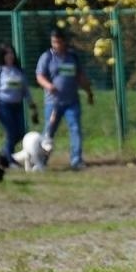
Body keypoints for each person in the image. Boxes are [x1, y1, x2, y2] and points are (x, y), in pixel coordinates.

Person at [36, 27, 94, 170]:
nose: (56, 45)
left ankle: (76, 160)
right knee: (49, 131)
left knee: (75, 129)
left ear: (64, 42)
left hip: (72, 101)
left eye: (58, 42)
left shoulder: (72, 57)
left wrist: (89, 92)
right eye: (53, 42)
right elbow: (40, 76)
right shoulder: (47, 57)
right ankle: (41, 160)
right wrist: (48, 85)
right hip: (53, 102)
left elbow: (80, 77)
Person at [0, 42, 34, 162]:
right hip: (3, 106)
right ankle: (9, 159)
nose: (10, 56)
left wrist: (32, 105)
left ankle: (4, 153)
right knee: (11, 132)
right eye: (7, 53)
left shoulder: (19, 71)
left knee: (20, 132)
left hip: (17, 106)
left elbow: (25, 89)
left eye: (11, 53)